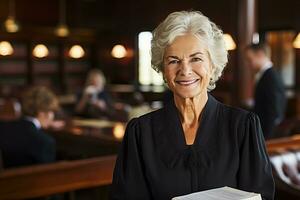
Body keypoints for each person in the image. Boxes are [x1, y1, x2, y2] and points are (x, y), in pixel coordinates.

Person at [111, 11, 274, 200]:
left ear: (212, 65)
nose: (185, 70)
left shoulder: (243, 127)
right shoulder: (140, 133)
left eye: (196, 59)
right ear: (163, 70)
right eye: (173, 61)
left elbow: (261, 197)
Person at [0, 86, 59, 168]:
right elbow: (46, 177)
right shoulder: (45, 141)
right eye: (52, 111)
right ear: (42, 112)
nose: (53, 116)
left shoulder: (4, 128)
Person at [245, 43, 286, 139]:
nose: (248, 64)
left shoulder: (270, 77)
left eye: (250, 60)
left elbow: (274, 112)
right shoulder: (266, 75)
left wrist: (265, 139)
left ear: (260, 54)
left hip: (267, 134)